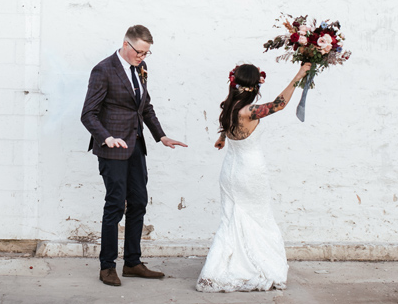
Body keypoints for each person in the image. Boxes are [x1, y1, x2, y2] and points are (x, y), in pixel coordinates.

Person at [81, 25, 188, 287]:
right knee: (115, 205)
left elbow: (145, 107)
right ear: (126, 45)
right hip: (112, 149)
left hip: (137, 147)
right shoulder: (103, 69)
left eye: (146, 53)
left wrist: (161, 135)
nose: (142, 57)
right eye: (139, 52)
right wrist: (106, 137)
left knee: (139, 202)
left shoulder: (141, 69)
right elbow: (88, 114)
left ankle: (132, 262)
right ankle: (107, 266)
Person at [196, 61, 312, 293]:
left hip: (229, 171)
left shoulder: (230, 106)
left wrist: (222, 138)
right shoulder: (248, 111)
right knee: (259, 218)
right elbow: (279, 105)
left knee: (231, 220)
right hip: (250, 172)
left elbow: (229, 128)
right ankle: (252, 267)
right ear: (256, 85)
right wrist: (299, 75)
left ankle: (219, 268)